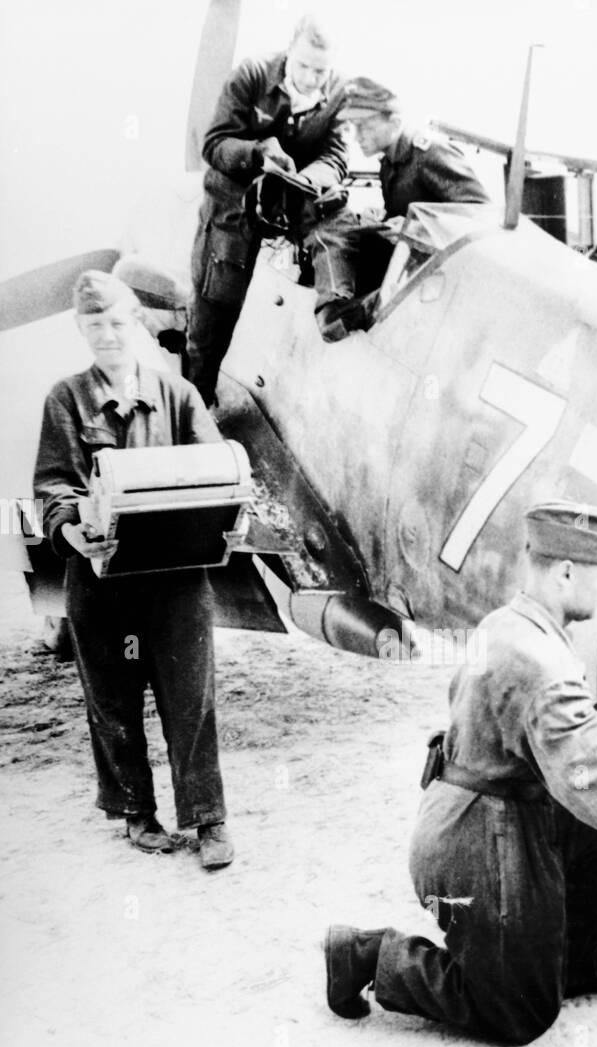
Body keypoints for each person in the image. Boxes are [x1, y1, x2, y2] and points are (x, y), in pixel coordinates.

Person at [325, 501, 597, 1043]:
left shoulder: (510, 623)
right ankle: (366, 954)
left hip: (484, 815)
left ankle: (577, 963)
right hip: (478, 845)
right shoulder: (542, 666)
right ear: (566, 572)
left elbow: (543, 747)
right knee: (520, 1012)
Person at [33, 271, 234, 870]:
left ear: (137, 323)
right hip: (102, 582)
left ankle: (208, 820)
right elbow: (53, 487)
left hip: (177, 578)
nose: (109, 337)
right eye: (95, 328)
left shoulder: (178, 396)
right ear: (81, 329)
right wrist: (74, 531)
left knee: (191, 697)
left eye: (118, 324)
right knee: (113, 701)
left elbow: (216, 469)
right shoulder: (65, 400)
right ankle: (136, 813)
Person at [187, 12, 348, 403]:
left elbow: (337, 156)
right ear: (289, 50)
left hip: (293, 207)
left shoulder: (341, 91)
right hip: (233, 207)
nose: (312, 78)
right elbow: (214, 145)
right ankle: (196, 404)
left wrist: (312, 177)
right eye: (304, 66)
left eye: (321, 71)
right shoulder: (252, 75)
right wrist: (258, 154)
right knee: (214, 312)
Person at [310, 76, 491, 340]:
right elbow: (409, 209)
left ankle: (354, 312)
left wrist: (414, 229)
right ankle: (339, 306)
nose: (357, 136)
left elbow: (480, 214)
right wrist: (387, 218)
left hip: (434, 270)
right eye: (353, 127)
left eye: (363, 127)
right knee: (338, 224)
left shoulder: (429, 153)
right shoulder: (390, 161)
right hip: (407, 258)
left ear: (394, 122)